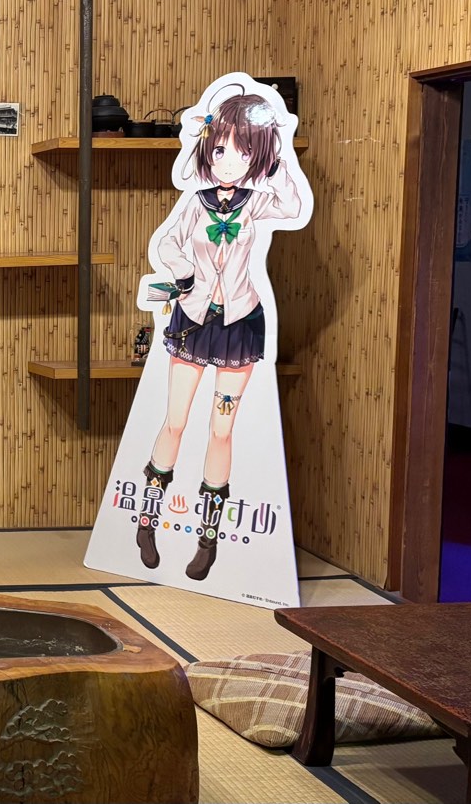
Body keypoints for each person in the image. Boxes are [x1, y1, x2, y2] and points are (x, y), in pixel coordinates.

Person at [136, 90, 304, 581]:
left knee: (222, 429)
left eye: (246, 151)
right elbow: (167, 243)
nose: (230, 161)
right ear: (208, 149)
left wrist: (281, 157)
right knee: (175, 422)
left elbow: (293, 206)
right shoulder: (195, 203)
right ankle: (148, 520)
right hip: (192, 319)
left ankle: (207, 539)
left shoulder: (257, 203)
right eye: (222, 149)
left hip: (240, 324)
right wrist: (183, 269)